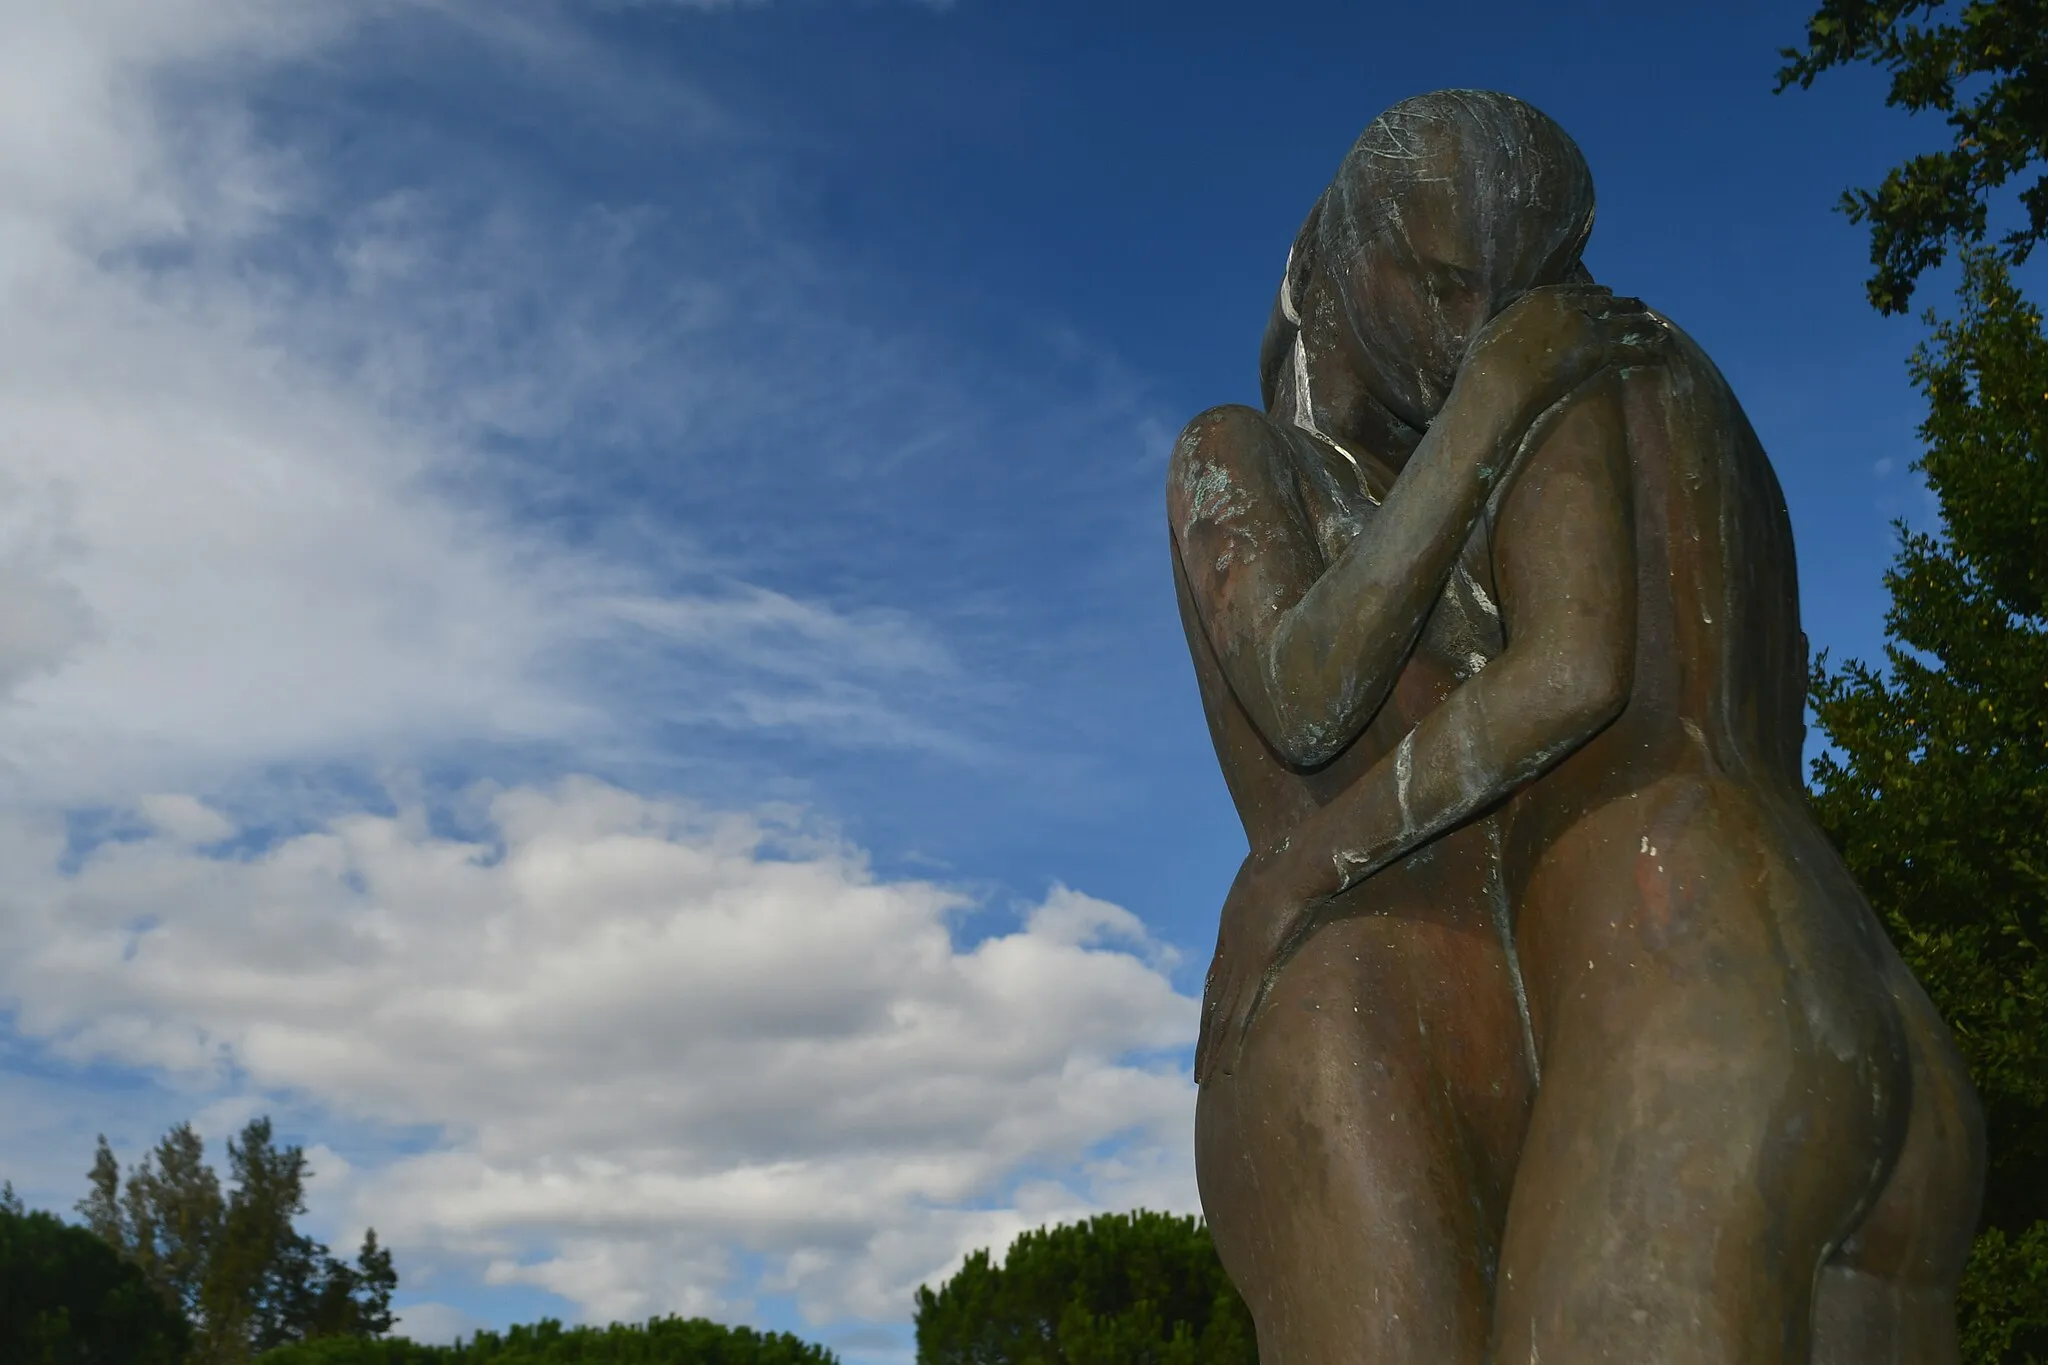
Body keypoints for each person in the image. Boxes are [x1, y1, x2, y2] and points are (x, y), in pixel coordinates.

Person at [1169, 90, 1983, 1365]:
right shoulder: (1248, 449)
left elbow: (1578, 675)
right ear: (1330, 257)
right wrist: (1490, 409)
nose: (1470, 325)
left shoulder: (1555, 394)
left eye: (1497, 288)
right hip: (1399, 1023)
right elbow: (1302, 693)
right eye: (1434, 283)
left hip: (1607, 995)